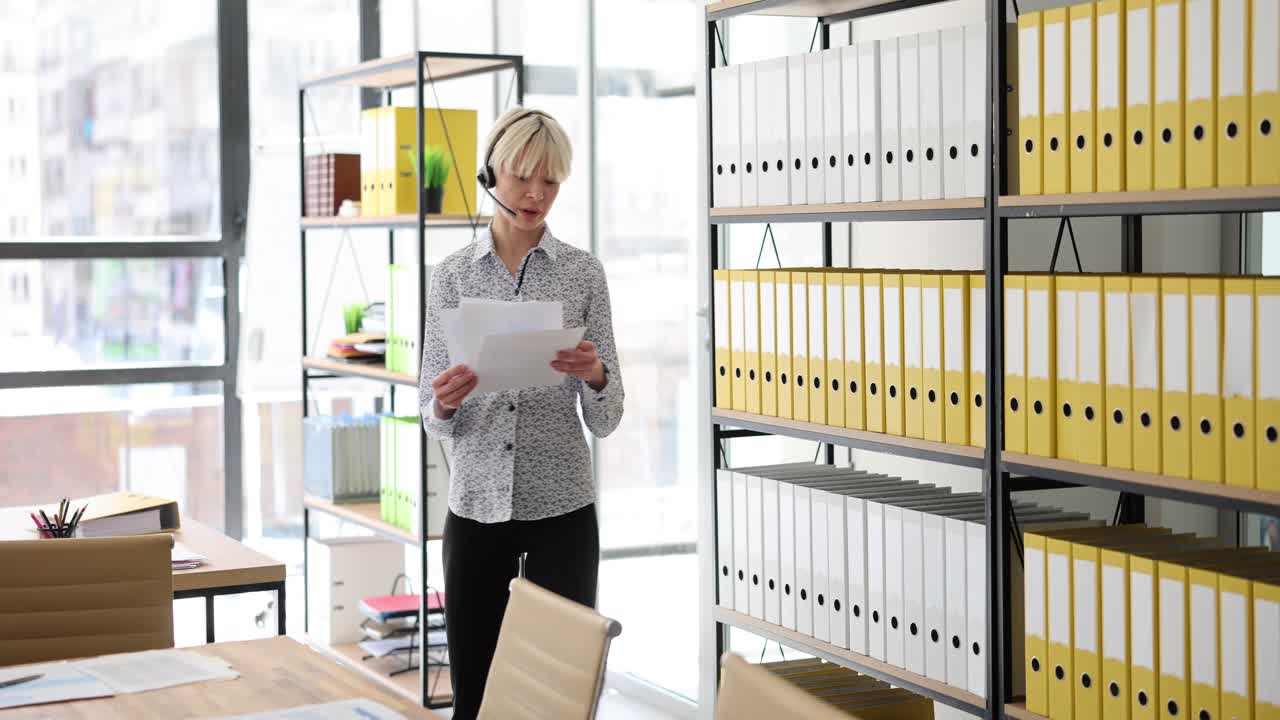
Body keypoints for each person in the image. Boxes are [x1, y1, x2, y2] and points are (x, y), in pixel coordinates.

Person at [418, 107, 625, 719]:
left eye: (551, 181)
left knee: (558, 698)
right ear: (491, 175)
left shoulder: (583, 273)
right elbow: (432, 416)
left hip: (562, 507)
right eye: (521, 177)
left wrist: (596, 376)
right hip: (476, 505)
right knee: (476, 701)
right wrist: (444, 400)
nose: (536, 194)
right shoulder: (452, 276)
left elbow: (607, 419)